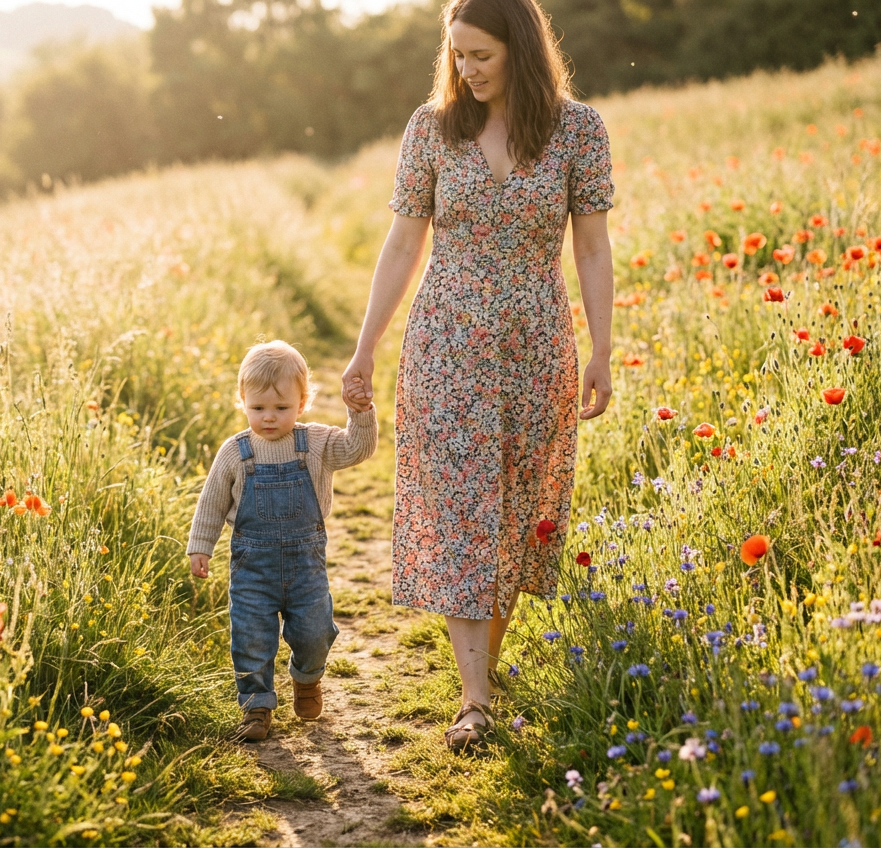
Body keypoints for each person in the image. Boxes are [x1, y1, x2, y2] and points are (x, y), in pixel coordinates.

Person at [340, 0, 614, 751]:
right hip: (448, 342)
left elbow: (590, 247)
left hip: (537, 341)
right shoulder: (432, 128)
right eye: (457, 55)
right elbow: (403, 244)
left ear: (521, 50)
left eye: (482, 56)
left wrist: (602, 348)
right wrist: (365, 348)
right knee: (463, 510)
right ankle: (474, 703)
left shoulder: (578, 130)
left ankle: (482, 672)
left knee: (520, 513)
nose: (466, 69)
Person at [189, 340, 378, 742]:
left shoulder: (317, 443)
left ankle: (307, 678)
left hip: (305, 566)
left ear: (303, 402)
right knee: (250, 637)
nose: (269, 418)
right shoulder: (235, 453)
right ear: (242, 402)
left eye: (281, 408)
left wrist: (360, 414)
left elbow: (359, 448)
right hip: (252, 570)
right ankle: (256, 706)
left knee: (315, 631)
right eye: (258, 409)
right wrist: (200, 547)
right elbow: (211, 503)